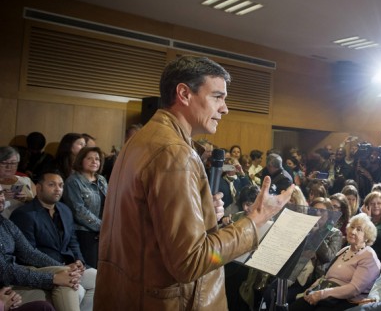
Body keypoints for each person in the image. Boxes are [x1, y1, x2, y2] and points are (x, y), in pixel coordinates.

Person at [94, 56, 293, 310]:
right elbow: (191, 262)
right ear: (184, 93)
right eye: (217, 97)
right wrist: (253, 222)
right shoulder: (174, 152)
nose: (225, 108)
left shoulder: (144, 139)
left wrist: (198, 209)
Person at [0, 188, 94, 311]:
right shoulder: (26, 213)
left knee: (74, 276)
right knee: (66, 282)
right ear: (39, 188)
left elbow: (29, 253)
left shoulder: (5, 224)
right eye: (51, 185)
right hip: (9, 281)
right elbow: (4, 271)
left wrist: (63, 267)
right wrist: (53, 278)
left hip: (15, 277)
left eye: (1, 194)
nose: (1, 198)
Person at [290, 213, 381, 311]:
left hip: (346, 300)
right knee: (295, 307)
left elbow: (354, 289)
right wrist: (312, 289)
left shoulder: (368, 256)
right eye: (352, 227)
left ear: (367, 237)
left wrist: (322, 294)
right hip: (326, 293)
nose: (353, 231)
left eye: (359, 229)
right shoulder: (345, 249)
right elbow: (326, 277)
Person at [10, 171, 86, 266]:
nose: (58, 189)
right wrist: (61, 268)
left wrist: (79, 260)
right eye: (51, 185)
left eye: (61, 185)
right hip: (42, 269)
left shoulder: (65, 210)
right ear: (38, 188)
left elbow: (72, 240)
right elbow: (28, 253)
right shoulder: (23, 214)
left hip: (70, 265)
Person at [61, 147, 107, 269]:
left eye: (97, 159)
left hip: (103, 232)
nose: (94, 161)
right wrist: (102, 227)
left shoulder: (101, 180)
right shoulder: (73, 181)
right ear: (81, 160)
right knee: (91, 270)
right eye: (89, 158)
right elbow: (79, 211)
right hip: (83, 232)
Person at [0, 147, 37, 218]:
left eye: (13, 163)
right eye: (4, 163)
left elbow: (40, 203)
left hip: (27, 222)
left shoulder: (26, 180)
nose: (9, 167)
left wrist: (26, 199)